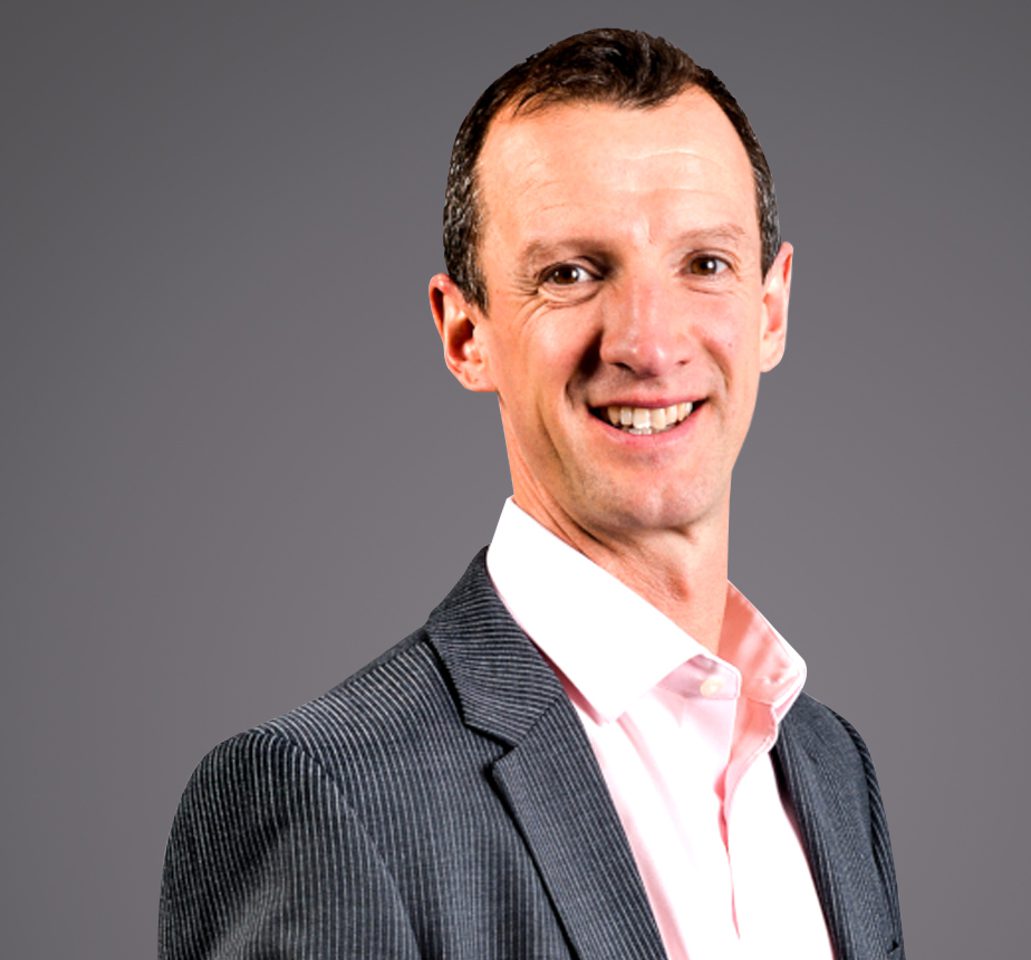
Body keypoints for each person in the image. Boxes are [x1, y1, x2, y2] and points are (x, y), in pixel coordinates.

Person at [159, 28, 904, 960]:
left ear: (771, 307)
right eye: (571, 274)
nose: (647, 341)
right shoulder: (328, 798)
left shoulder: (831, 771)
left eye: (704, 264)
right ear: (465, 332)